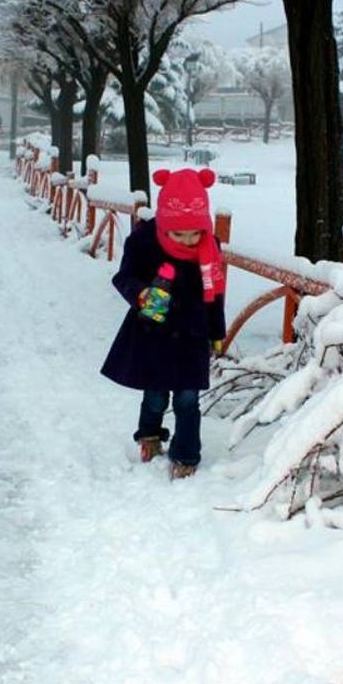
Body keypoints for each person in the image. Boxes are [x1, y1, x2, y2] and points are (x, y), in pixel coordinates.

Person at [100, 168, 227, 480]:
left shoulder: (209, 248)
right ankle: (150, 435)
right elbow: (123, 276)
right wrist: (141, 293)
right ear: (165, 225)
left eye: (194, 234)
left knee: (188, 397)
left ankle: (186, 455)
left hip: (193, 332)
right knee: (156, 392)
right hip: (154, 331)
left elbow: (216, 293)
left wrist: (216, 332)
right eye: (179, 235)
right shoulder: (144, 241)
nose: (188, 241)